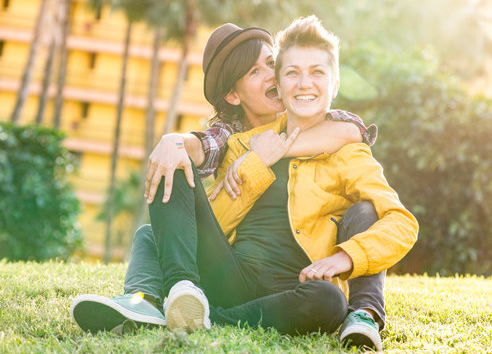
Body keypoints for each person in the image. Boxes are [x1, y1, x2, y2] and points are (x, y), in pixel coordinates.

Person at [70, 20, 385, 347]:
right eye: (253, 72)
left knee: (329, 300)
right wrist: (173, 141)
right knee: (162, 201)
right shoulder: (231, 135)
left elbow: (352, 128)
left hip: (293, 284)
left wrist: (274, 148)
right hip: (233, 271)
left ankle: (196, 316)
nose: (270, 75)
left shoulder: (312, 116)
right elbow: (204, 144)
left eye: (271, 63)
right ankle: (161, 294)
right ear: (233, 95)